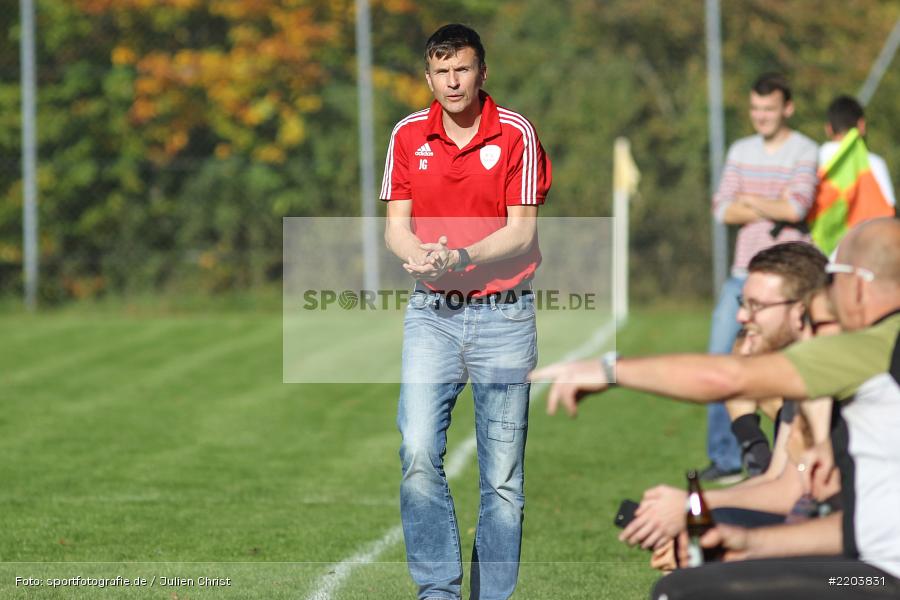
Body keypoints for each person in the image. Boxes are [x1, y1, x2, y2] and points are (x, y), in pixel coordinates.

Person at [530, 218, 900, 599]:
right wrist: (741, 540)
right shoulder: (862, 357)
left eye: (756, 306)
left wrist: (609, 369)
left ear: (857, 285)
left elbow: (727, 380)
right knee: (701, 555)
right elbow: (845, 520)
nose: (742, 317)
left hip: (875, 579)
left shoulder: (870, 348)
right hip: (865, 567)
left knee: (678, 590)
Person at [380, 23, 551, 600]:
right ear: (428, 77)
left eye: (462, 69)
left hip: (504, 318)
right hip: (432, 314)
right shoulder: (407, 135)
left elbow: (521, 233)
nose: (452, 82)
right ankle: (438, 591)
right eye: (441, 72)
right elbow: (396, 228)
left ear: (482, 72)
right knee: (417, 451)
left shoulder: (517, 133)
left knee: (502, 479)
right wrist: (419, 257)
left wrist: (460, 256)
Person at [704, 73, 819, 483]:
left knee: (787, 368)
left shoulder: (805, 150)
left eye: (769, 109)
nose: (761, 116)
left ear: (787, 108)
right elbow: (722, 209)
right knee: (721, 360)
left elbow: (797, 207)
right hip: (742, 275)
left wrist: (749, 200)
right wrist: (771, 204)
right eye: (755, 108)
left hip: (790, 281)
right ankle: (729, 456)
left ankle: (789, 454)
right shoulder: (740, 150)